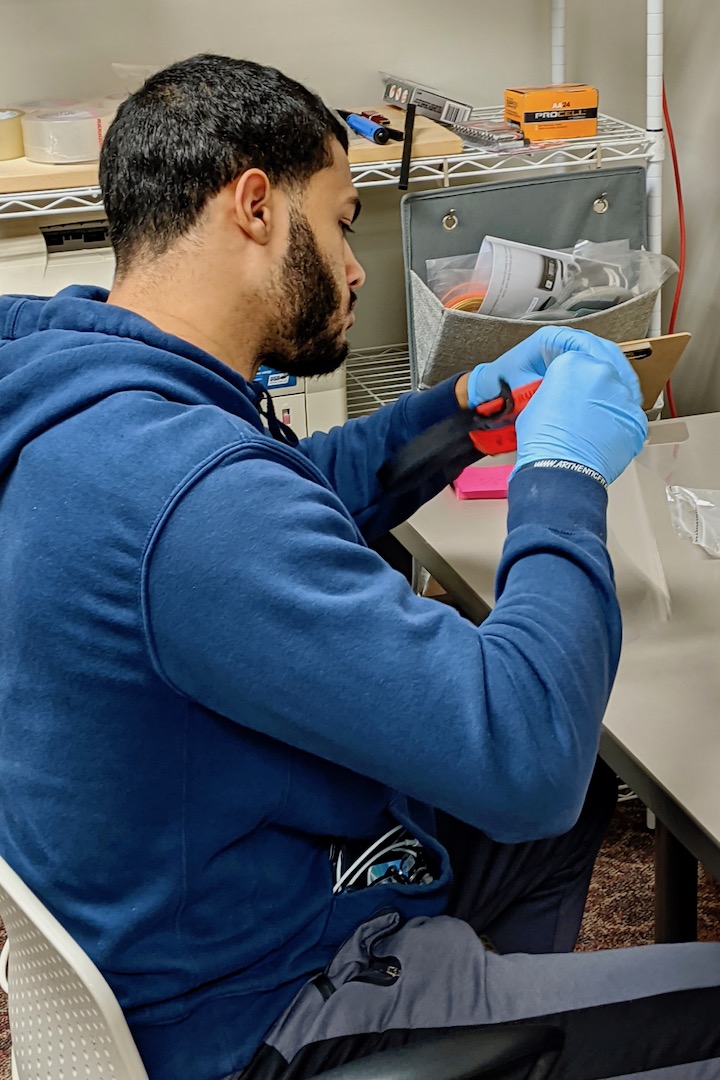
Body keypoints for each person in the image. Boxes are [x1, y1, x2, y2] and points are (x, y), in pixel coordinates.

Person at [0, 52, 718, 1080]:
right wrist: (560, 475)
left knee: (561, 820)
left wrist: (461, 418)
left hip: (192, 916)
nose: (356, 266)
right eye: (342, 222)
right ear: (255, 207)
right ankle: (464, 1034)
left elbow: (285, 494)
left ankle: (497, 1028)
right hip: (267, 1010)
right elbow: (526, 753)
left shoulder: (92, 398)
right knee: (560, 782)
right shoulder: (189, 499)